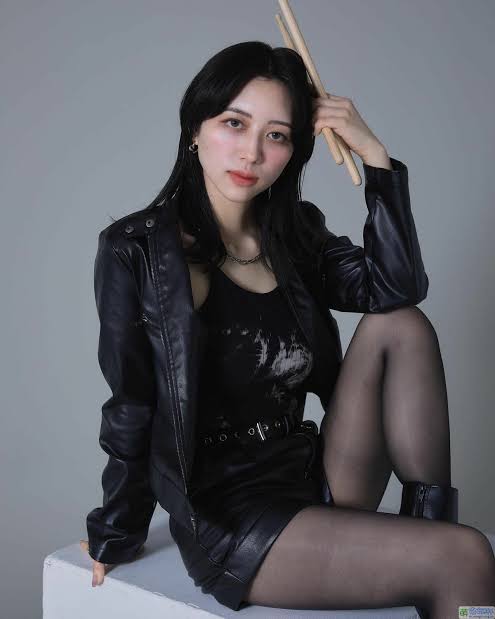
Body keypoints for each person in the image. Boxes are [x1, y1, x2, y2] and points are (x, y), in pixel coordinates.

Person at [80, 41, 495, 617]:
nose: (251, 152)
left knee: (401, 324)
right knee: (465, 555)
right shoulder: (137, 252)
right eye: (234, 123)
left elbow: (394, 289)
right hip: (231, 516)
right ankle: (439, 555)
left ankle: (427, 528)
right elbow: (132, 405)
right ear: (195, 128)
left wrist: (375, 158)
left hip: (317, 474)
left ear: (292, 151)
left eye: (275, 135)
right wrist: (116, 533)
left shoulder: (295, 232)